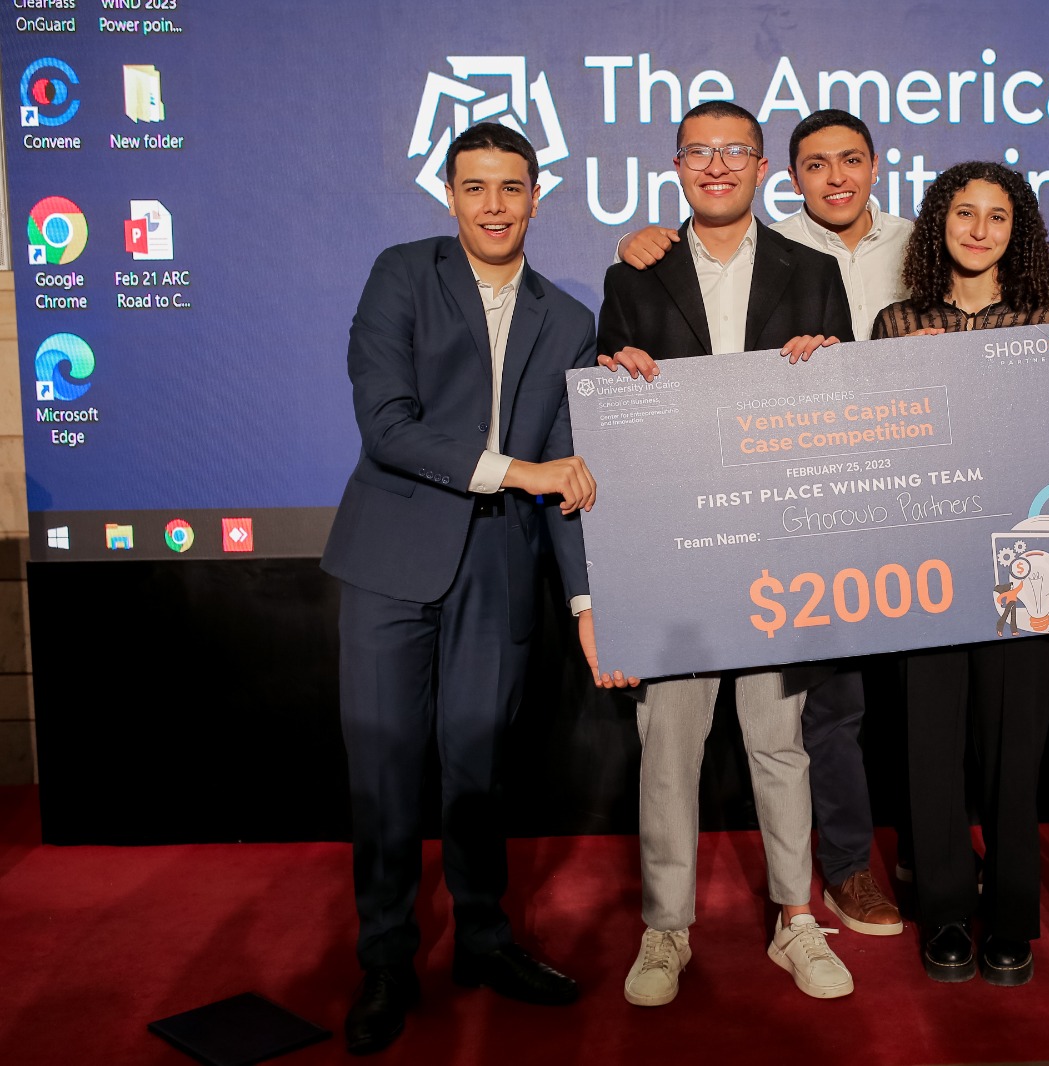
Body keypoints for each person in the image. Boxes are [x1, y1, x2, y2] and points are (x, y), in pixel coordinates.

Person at [321, 122, 632, 1055]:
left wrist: (586, 606)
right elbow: (388, 426)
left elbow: (573, 481)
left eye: (511, 187)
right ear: (449, 196)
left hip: (500, 572)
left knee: (479, 770)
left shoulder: (569, 321)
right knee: (384, 775)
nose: (494, 205)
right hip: (390, 560)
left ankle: (484, 941)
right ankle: (385, 959)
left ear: (538, 197)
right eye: (475, 187)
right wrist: (521, 471)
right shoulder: (401, 275)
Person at [617, 107, 910, 938]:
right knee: (669, 754)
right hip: (678, 555)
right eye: (700, 153)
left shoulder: (805, 267)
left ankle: (798, 916)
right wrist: (616, 372)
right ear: (677, 165)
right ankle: (665, 929)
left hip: (787, 547)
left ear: (758, 168)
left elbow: (844, 396)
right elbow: (610, 409)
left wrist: (826, 371)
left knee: (785, 742)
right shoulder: (636, 274)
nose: (717, 166)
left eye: (734, 152)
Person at [870, 160, 1049, 986]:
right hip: (927, 564)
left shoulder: (1048, 316)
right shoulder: (895, 322)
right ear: (940, 224)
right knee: (931, 747)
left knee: (1011, 751)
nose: (980, 229)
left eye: (998, 216)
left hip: (1026, 558)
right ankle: (948, 913)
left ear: (1016, 230)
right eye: (965, 213)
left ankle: (1012, 919)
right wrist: (908, 376)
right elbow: (882, 449)